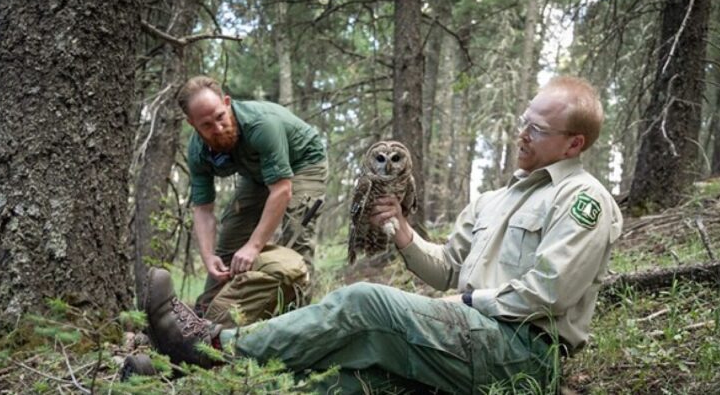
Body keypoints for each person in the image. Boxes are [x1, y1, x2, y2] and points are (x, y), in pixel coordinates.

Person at [146, 75, 622, 393]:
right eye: (523, 121)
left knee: (365, 302)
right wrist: (402, 232)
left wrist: (467, 303)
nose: (522, 134)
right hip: (465, 343)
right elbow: (448, 272)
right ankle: (180, 380)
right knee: (347, 377)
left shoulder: (582, 199)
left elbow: (549, 294)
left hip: (523, 356)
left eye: (537, 129)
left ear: (573, 143)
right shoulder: (493, 201)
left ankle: (211, 344)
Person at [177, 76, 327, 326]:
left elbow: (281, 190)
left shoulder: (261, 124)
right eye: (206, 125)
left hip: (303, 162)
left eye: (220, 116)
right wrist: (207, 256)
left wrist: (254, 246)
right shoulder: (197, 153)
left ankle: (299, 323)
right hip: (257, 173)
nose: (218, 128)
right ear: (192, 124)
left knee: (295, 239)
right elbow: (203, 209)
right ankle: (205, 322)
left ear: (227, 103)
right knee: (229, 243)